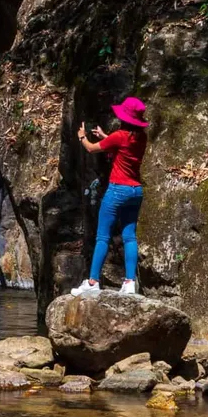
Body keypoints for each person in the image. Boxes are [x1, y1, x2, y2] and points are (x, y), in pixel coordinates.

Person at [71, 96, 149, 297]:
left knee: (103, 236)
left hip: (117, 190)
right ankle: (130, 283)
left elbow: (90, 148)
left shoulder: (119, 136)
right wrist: (106, 135)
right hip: (136, 191)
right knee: (129, 236)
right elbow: (121, 148)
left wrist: (82, 136)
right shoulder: (141, 137)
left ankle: (92, 282)